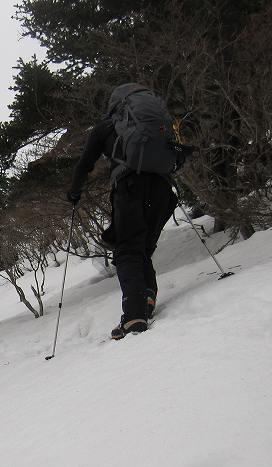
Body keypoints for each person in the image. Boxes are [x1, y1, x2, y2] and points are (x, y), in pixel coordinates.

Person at [67, 82, 180, 340]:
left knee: (128, 251)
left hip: (130, 187)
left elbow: (85, 163)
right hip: (163, 187)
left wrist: (74, 192)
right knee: (142, 249)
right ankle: (146, 297)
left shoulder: (106, 126)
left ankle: (133, 316)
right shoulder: (153, 120)